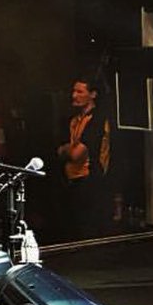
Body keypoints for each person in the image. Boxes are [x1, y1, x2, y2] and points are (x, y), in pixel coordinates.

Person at [56, 77, 112, 239]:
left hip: (90, 181)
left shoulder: (97, 120)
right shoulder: (73, 120)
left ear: (93, 94)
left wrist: (68, 149)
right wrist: (68, 149)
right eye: (73, 91)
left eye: (80, 91)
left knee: (88, 230)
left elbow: (76, 154)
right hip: (72, 180)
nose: (74, 95)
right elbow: (59, 150)